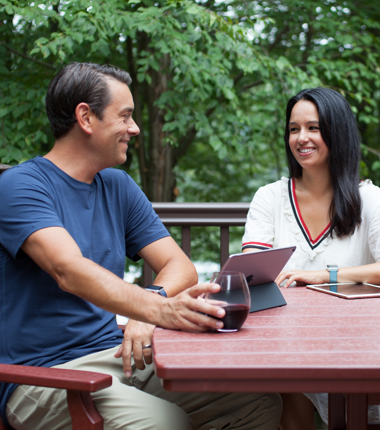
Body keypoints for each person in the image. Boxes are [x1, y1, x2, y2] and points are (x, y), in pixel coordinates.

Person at [0, 62, 282, 430]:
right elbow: (67, 269)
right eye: (126, 116)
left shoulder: (118, 186)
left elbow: (180, 266)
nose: (134, 128)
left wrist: (144, 310)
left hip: (116, 356)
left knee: (256, 400)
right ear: (85, 117)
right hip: (40, 376)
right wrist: (157, 309)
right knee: (164, 422)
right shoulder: (21, 186)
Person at [242, 87, 380, 430]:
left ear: (337, 132)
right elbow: (252, 269)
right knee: (285, 384)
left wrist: (323, 276)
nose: (301, 138)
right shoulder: (270, 197)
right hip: (286, 341)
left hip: (358, 344)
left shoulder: (369, 199)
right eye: (293, 129)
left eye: (313, 128)